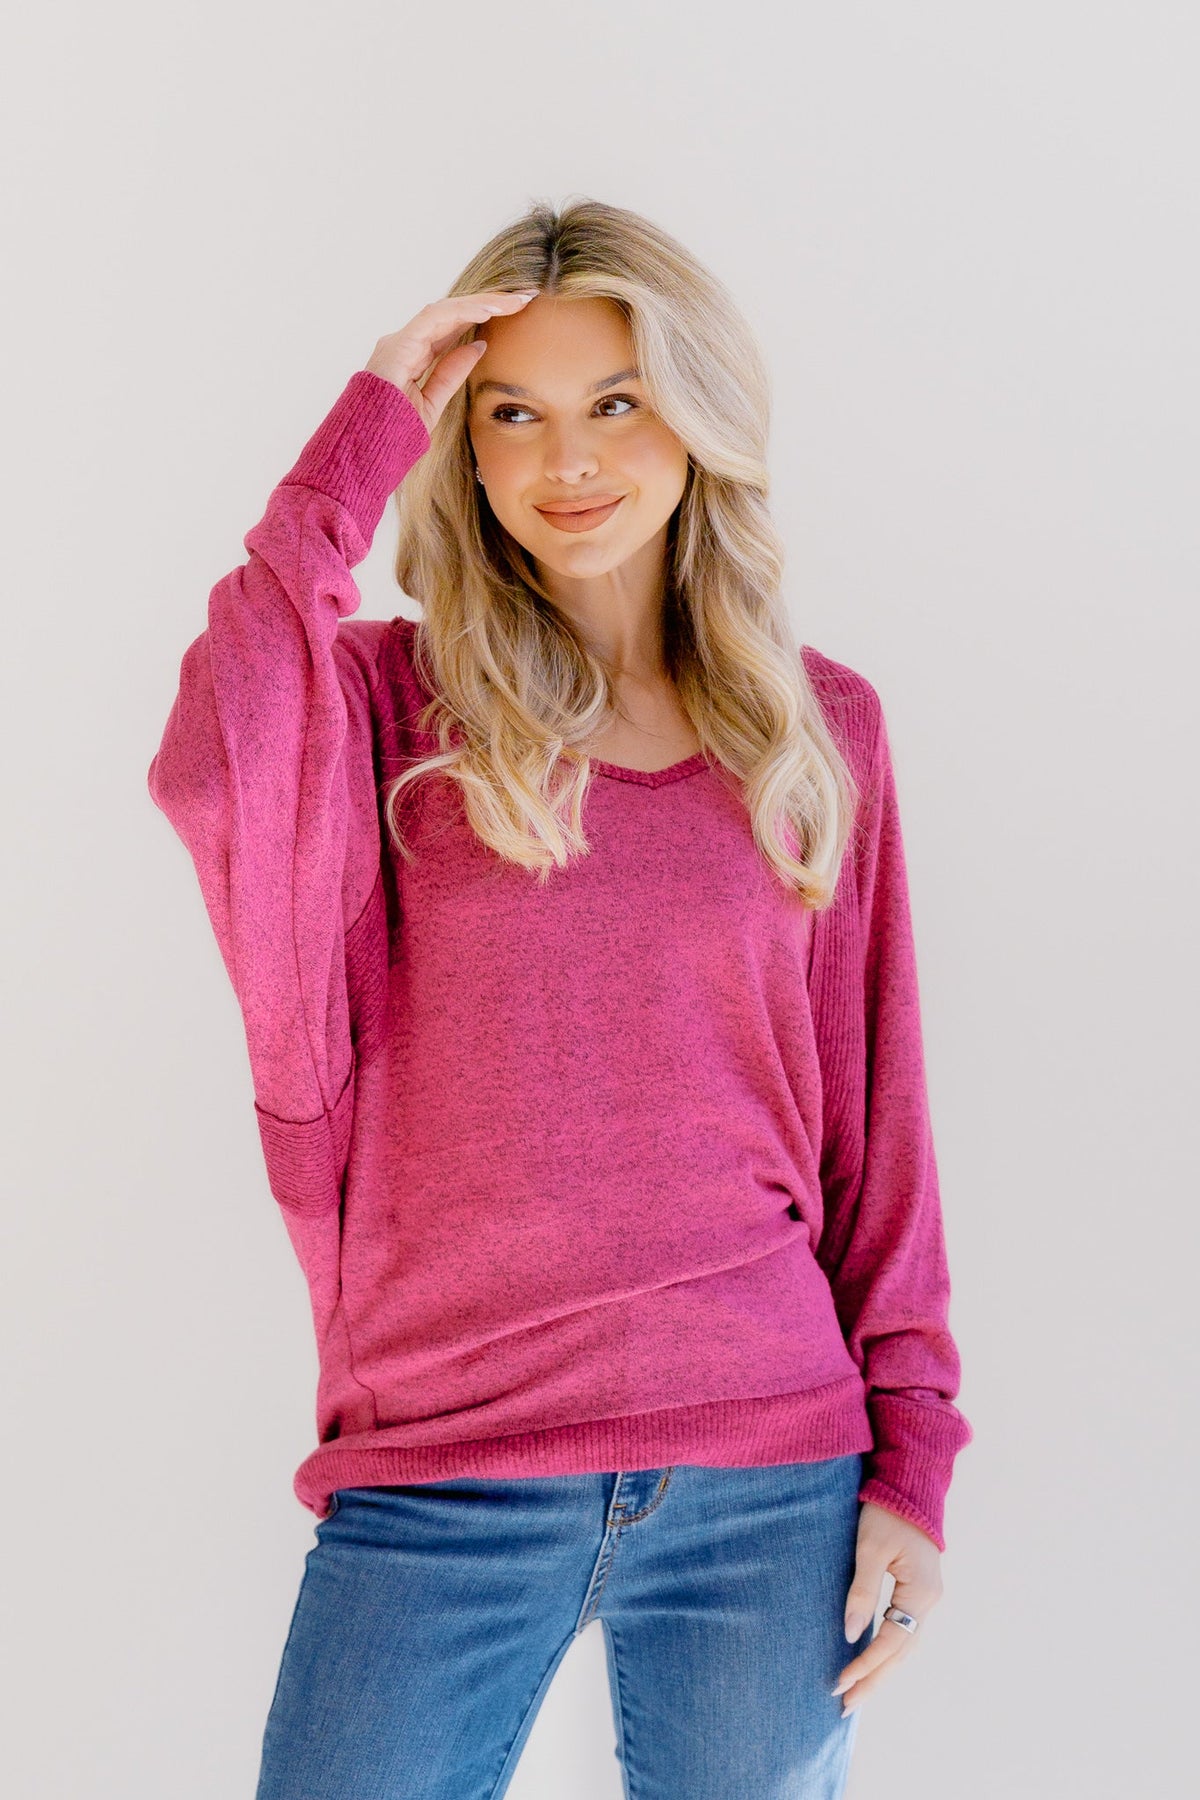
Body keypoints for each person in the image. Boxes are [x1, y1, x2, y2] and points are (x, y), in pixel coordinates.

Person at [147, 197, 973, 1799]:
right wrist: (364, 430)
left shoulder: (818, 733)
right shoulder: (386, 705)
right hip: (442, 1463)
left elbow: (882, 1131)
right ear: (461, 449)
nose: (566, 459)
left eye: (616, 402)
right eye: (511, 414)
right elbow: (213, 755)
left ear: (696, 416)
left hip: (769, 1465)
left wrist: (915, 1464)